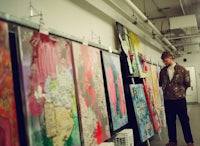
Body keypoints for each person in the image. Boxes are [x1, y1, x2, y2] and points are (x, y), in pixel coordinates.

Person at [159, 51, 194, 146]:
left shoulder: (182, 69)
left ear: (171, 58)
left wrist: (180, 92)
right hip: (168, 100)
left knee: (184, 120)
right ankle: (172, 141)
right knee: (170, 121)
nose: (165, 63)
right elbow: (161, 83)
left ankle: (189, 141)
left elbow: (187, 84)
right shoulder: (162, 71)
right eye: (163, 61)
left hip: (180, 100)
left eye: (166, 60)